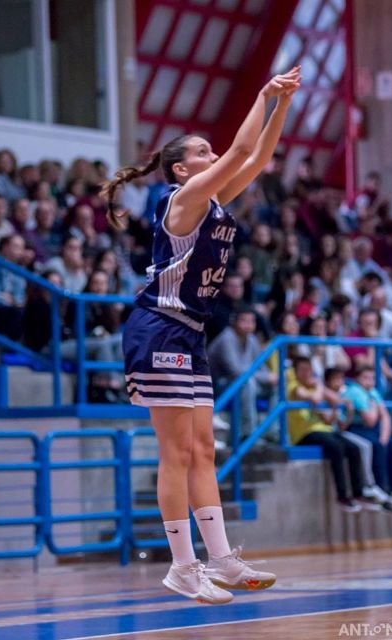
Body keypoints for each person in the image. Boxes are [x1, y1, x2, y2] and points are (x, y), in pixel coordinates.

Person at [101, 66, 301, 604]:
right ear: (179, 167)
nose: (213, 157)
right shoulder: (181, 199)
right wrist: (262, 92)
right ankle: (183, 567)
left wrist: (280, 106)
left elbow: (256, 159)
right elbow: (240, 152)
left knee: (204, 451)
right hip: (158, 328)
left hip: (189, 333)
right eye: (202, 152)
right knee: (176, 454)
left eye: (210, 152)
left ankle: (222, 559)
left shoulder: (211, 200)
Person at [287, 357, 365, 513]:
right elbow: (316, 398)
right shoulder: (294, 387)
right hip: (304, 434)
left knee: (354, 448)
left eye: (309, 369)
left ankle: (358, 493)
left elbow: (333, 408)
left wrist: (340, 410)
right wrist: (319, 385)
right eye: (303, 369)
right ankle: (342, 496)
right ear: (295, 372)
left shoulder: (313, 387)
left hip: (323, 430)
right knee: (337, 448)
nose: (307, 373)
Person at [342, 366, 392, 510]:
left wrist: (385, 435)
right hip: (354, 428)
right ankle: (379, 487)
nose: (370, 382)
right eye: (365, 378)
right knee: (376, 445)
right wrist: (375, 407)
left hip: (371, 430)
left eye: (372, 378)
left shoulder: (372, 392)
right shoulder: (355, 392)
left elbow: (385, 416)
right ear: (356, 379)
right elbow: (371, 420)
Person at [208, 306, 277, 440]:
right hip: (218, 387)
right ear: (234, 322)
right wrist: (265, 377)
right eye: (244, 321)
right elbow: (235, 371)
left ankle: (271, 432)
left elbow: (260, 365)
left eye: (251, 321)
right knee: (248, 383)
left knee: (278, 385)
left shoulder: (251, 339)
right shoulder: (226, 338)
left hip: (240, 383)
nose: (248, 325)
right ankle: (247, 434)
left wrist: (271, 377)